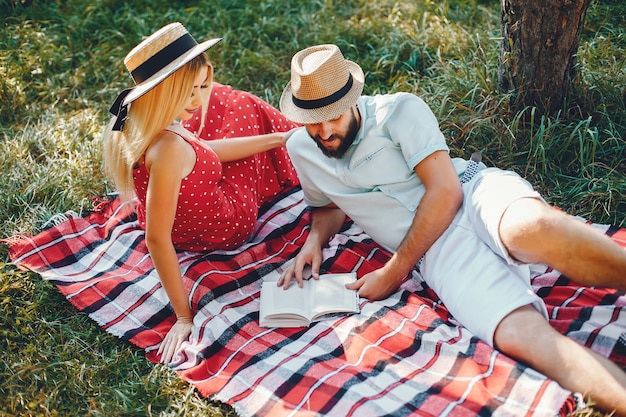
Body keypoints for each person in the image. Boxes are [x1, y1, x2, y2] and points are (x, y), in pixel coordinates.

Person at [276, 44, 626, 415]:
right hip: (435, 254)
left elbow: (446, 191)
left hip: (472, 192)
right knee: (518, 336)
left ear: (352, 98)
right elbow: (327, 206)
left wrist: (393, 272)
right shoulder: (302, 147)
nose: (325, 130)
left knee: (535, 228)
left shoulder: (399, 111)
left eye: (334, 115)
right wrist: (315, 240)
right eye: (314, 120)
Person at [102, 22, 299, 364]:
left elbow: (205, 149)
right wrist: (183, 316)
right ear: (164, 93)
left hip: (184, 214)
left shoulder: (145, 124)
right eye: (189, 92)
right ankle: (303, 138)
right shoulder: (169, 150)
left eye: (198, 88)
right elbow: (156, 240)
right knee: (241, 105)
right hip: (225, 226)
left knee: (223, 100)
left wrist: (276, 139)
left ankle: (289, 136)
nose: (196, 99)